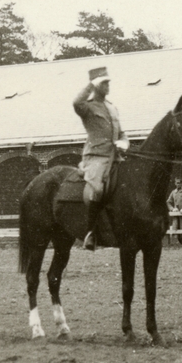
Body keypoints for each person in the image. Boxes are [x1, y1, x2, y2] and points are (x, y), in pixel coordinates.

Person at [73, 67, 130, 250]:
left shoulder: (112, 107)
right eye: (104, 83)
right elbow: (76, 102)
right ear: (96, 86)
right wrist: (90, 85)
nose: (107, 86)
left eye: (108, 83)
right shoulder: (87, 107)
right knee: (97, 189)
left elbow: (121, 132)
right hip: (96, 157)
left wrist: (124, 143)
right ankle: (90, 232)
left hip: (115, 156)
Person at [167, 178, 182, 244]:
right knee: (176, 227)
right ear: (175, 184)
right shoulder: (173, 192)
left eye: (179, 183)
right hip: (176, 212)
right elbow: (168, 201)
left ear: (181, 183)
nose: (178, 184)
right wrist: (172, 209)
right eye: (177, 183)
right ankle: (180, 241)